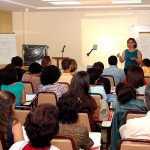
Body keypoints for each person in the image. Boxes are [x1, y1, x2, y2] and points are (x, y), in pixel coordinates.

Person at [110, 82, 148, 150]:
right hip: (145, 141)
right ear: (133, 92)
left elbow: (115, 131)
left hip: (125, 142)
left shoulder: (118, 108)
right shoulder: (143, 105)